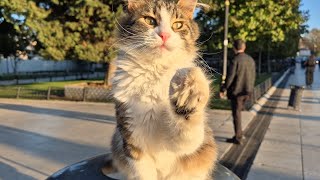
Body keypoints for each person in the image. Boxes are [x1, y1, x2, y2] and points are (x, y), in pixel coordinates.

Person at [220, 39, 256, 145]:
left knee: (237, 115)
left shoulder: (235, 60)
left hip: (237, 92)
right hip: (247, 91)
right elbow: (253, 75)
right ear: (244, 47)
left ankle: (238, 137)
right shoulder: (250, 60)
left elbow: (230, 77)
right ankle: (239, 134)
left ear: (234, 48)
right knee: (239, 113)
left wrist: (223, 88)